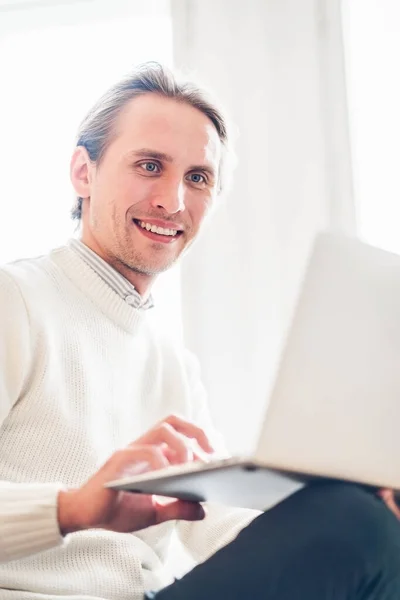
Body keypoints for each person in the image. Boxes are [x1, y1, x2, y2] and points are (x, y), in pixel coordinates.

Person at [0, 62, 399, 600]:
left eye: (197, 177)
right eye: (148, 166)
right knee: (357, 524)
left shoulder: (173, 362)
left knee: (372, 522)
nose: (173, 202)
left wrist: (330, 510)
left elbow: (210, 524)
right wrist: (71, 508)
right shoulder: (16, 300)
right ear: (83, 172)